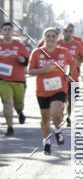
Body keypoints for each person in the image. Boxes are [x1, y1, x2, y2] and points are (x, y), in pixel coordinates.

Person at [28, 27, 74, 155]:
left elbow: (73, 62)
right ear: (44, 38)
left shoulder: (63, 52)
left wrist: (69, 74)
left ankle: (58, 130)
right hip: (42, 90)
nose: (51, 38)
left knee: (56, 113)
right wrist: (44, 69)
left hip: (59, 88)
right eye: (48, 36)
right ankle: (47, 142)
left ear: (56, 38)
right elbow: (30, 71)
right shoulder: (37, 53)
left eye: (53, 36)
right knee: (45, 119)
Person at [0, 20, 30, 136]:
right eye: (5, 29)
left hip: (18, 80)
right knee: (8, 103)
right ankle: (10, 127)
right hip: (3, 81)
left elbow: (27, 61)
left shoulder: (20, 46)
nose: (7, 32)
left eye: (9, 29)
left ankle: (20, 112)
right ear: (1, 31)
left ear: (13, 32)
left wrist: (23, 61)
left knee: (18, 104)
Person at [60, 23, 83, 126]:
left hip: (73, 75)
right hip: (60, 76)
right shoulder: (58, 43)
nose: (68, 33)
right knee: (62, 97)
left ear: (73, 33)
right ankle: (61, 111)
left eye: (70, 31)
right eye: (66, 31)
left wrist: (77, 60)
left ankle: (69, 116)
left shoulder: (77, 44)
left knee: (72, 98)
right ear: (63, 32)